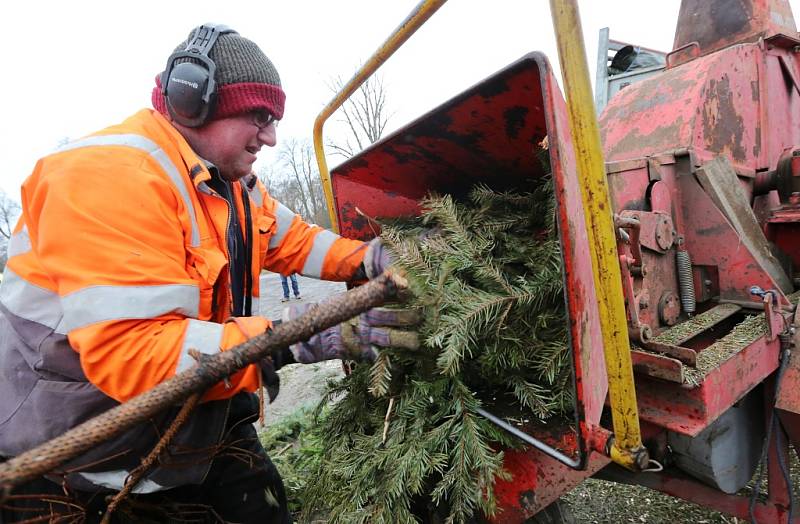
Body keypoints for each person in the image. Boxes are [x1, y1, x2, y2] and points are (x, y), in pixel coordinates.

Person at [0, 24, 415, 523]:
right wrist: (289, 337)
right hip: (84, 455)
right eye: (259, 116)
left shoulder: (230, 184)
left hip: (197, 412)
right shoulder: (109, 177)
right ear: (192, 101)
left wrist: (369, 258)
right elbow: (137, 356)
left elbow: (294, 238)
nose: (271, 135)